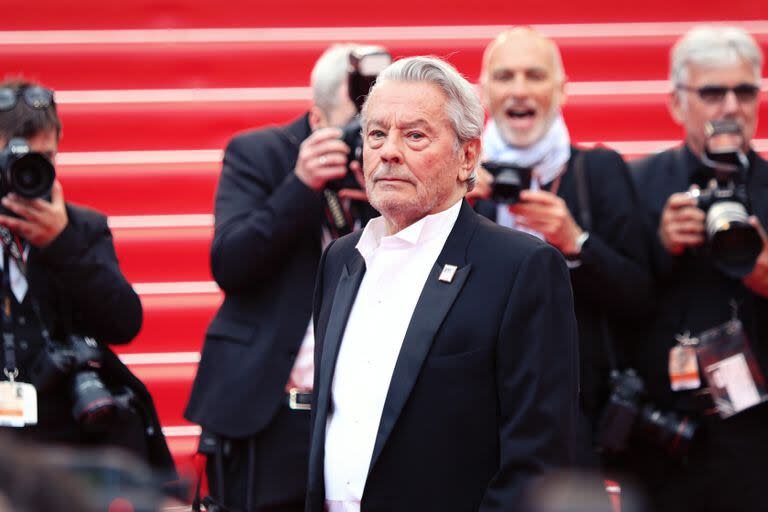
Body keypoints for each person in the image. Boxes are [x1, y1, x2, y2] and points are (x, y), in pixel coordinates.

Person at [308, 56, 579, 512]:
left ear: (467, 156)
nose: (389, 151)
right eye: (376, 133)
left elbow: (537, 459)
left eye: (414, 135)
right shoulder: (340, 259)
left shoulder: (522, 267)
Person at [185, 44, 376, 511]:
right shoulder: (260, 154)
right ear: (317, 120)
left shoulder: (391, 173)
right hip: (271, 414)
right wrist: (301, 185)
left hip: (366, 414)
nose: (372, 145)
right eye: (358, 128)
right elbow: (230, 264)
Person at [475, 27, 652, 468]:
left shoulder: (598, 172)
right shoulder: (455, 182)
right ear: (483, 91)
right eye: (505, 76)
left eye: (535, 75)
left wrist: (577, 244)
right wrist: (454, 210)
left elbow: (642, 296)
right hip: (473, 405)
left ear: (561, 90)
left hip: (572, 412)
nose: (519, 90)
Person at [0, 80, 174, 475]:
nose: (24, 171)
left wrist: (61, 243)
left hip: (69, 445)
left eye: (43, 157)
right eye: (11, 157)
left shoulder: (82, 228)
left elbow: (125, 322)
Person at [629, 26, 768, 511]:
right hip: (663, 434)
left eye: (745, 90)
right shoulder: (635, 183)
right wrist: (659, 246)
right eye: (712, 92)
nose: (731, 106)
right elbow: (613, 297)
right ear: (677, 103)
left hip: (758, 436)